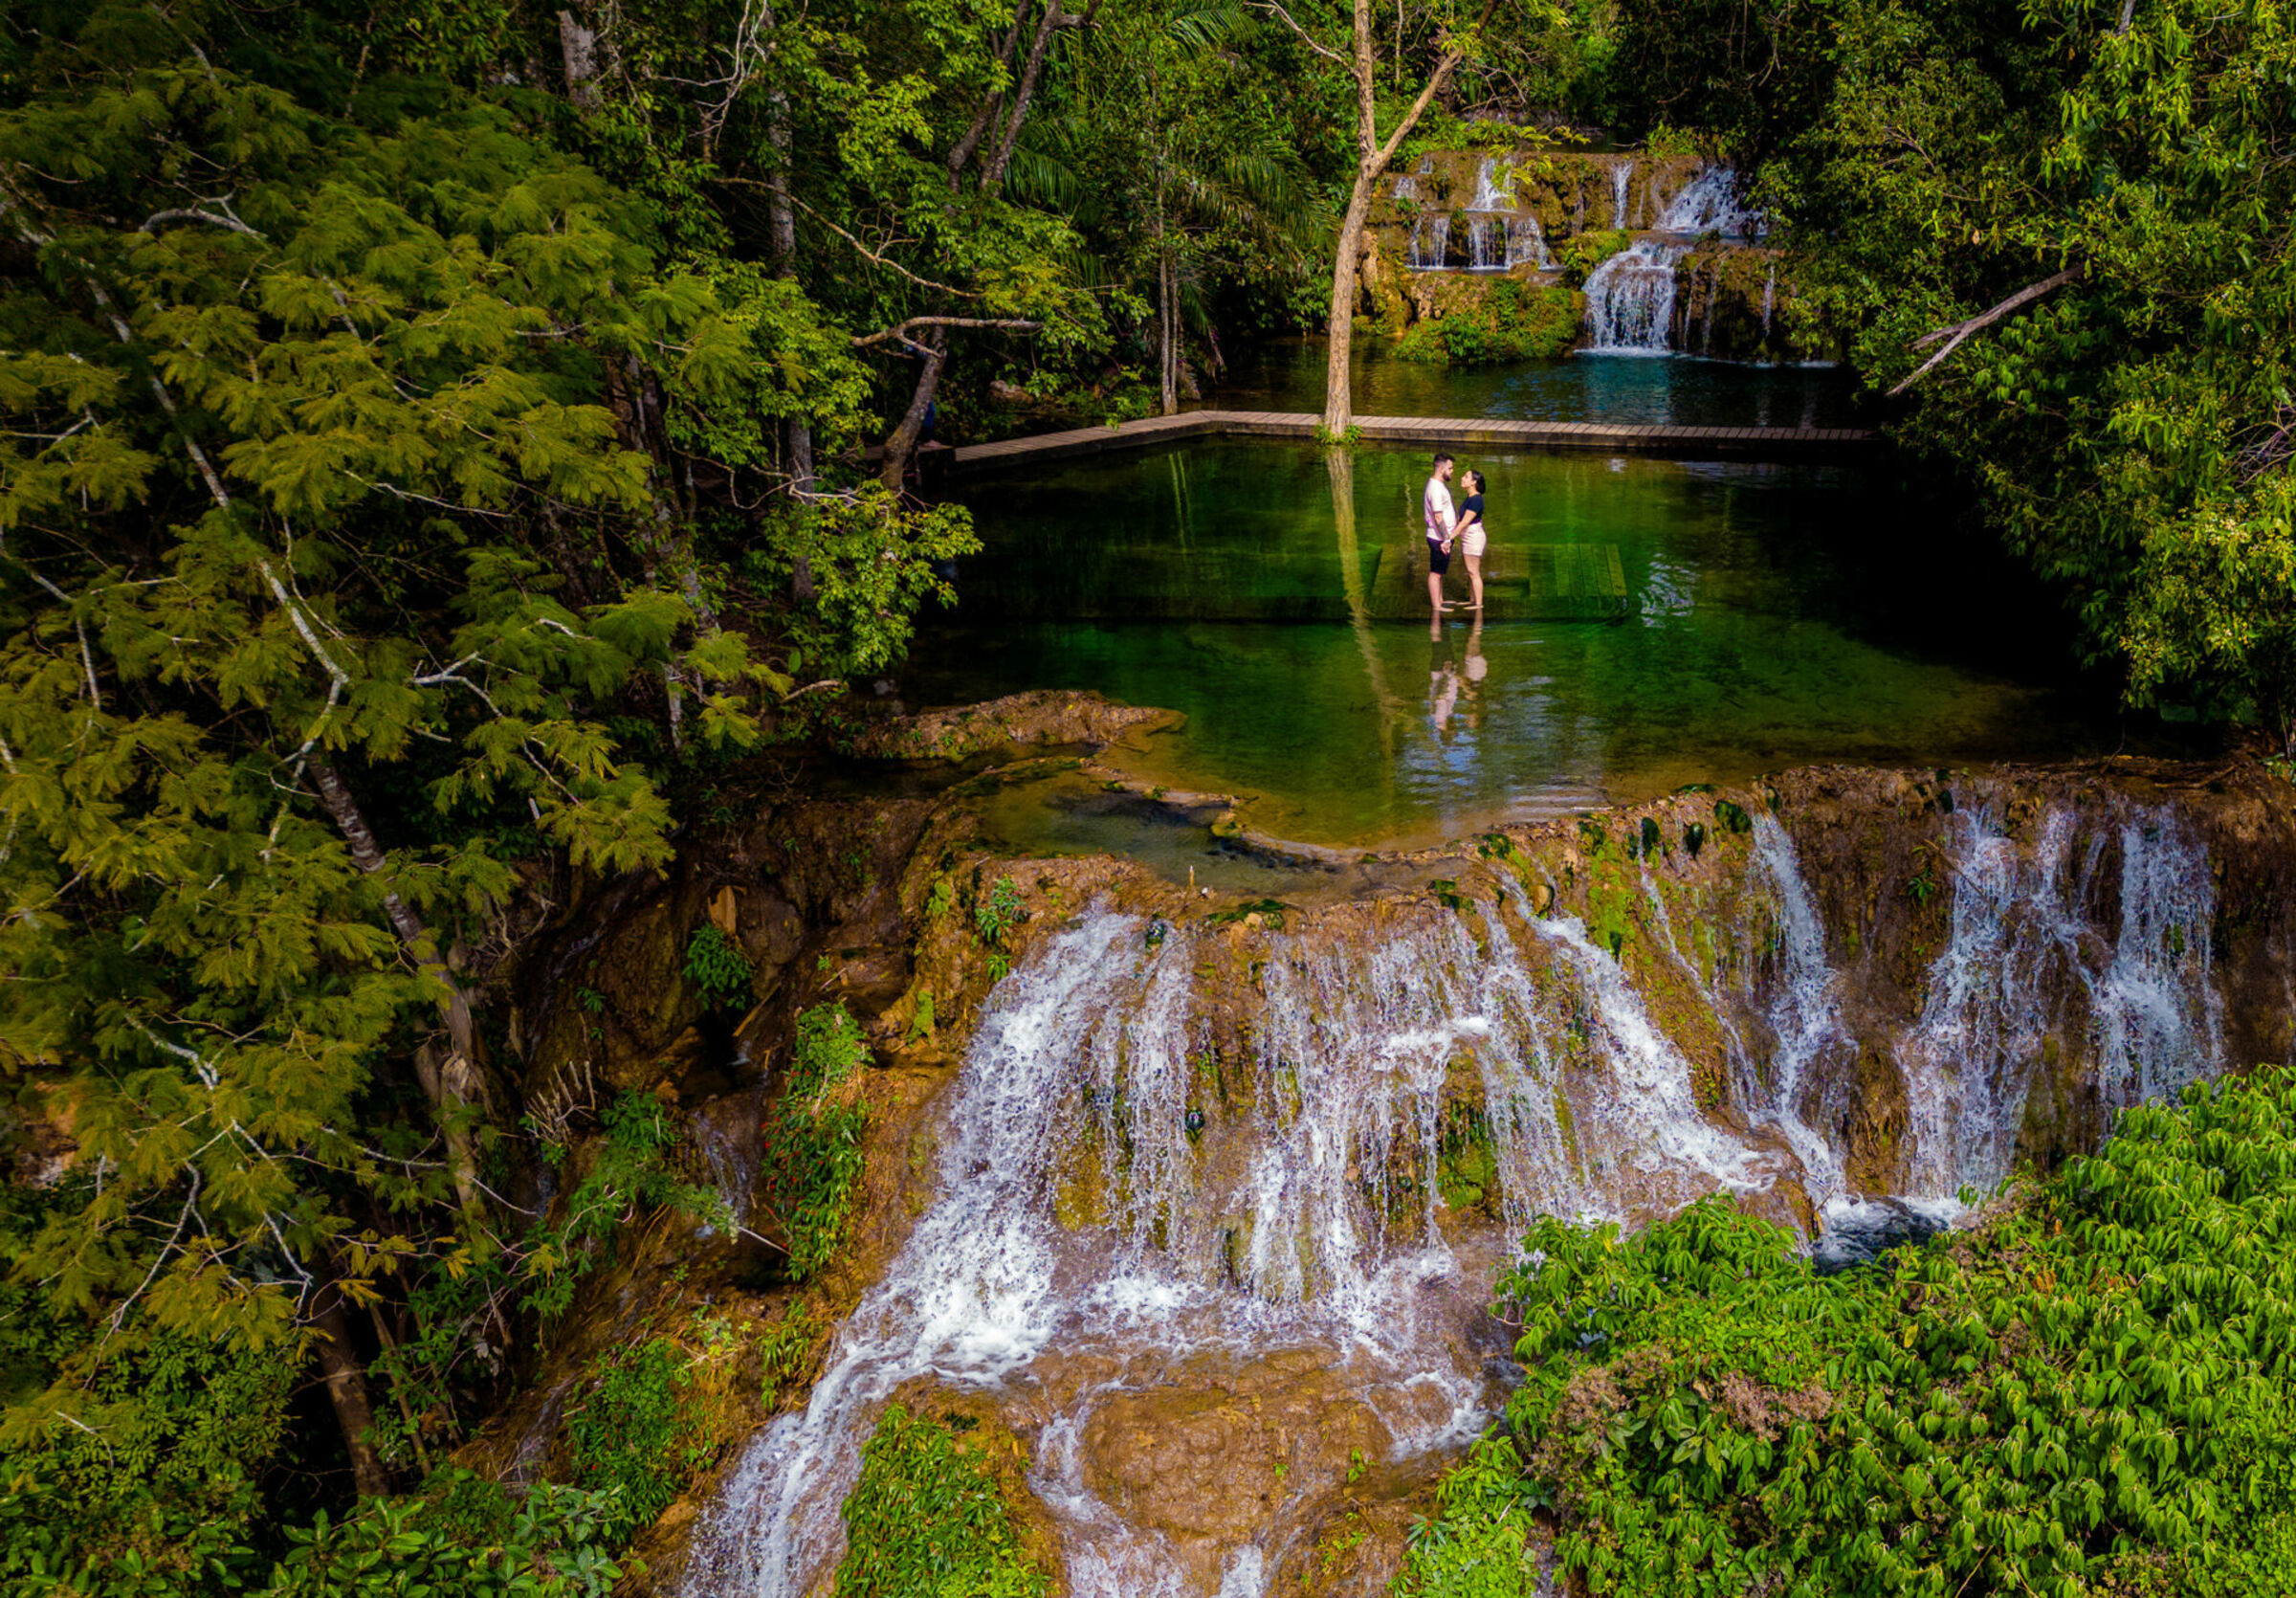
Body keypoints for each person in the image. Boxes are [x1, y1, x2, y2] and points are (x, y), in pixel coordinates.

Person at [1423, 452, 1457, 619]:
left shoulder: (1437, 484)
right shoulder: (1435, 489)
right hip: (1439, 539)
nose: (1452, 471)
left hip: (1441, 538)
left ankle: (1440, 600)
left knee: (1440, 572)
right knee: (1435, 573)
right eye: (1450, 468)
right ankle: (1437, 606)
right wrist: (1446, 539)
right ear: (1441, 468)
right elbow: (1438, 516)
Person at [1453, 469, 1489, 612]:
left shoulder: (1476, 499)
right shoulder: (1470, 498)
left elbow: (1464, 522)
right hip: (1468, 537)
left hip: (1473, 537)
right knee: (1470, 572)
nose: (1462, 478)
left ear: (1474, 482)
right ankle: (1472, 599)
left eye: (1466, 477)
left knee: (1474, 572)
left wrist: (1450, 537)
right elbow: (1460, 520)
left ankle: (1478, 603)